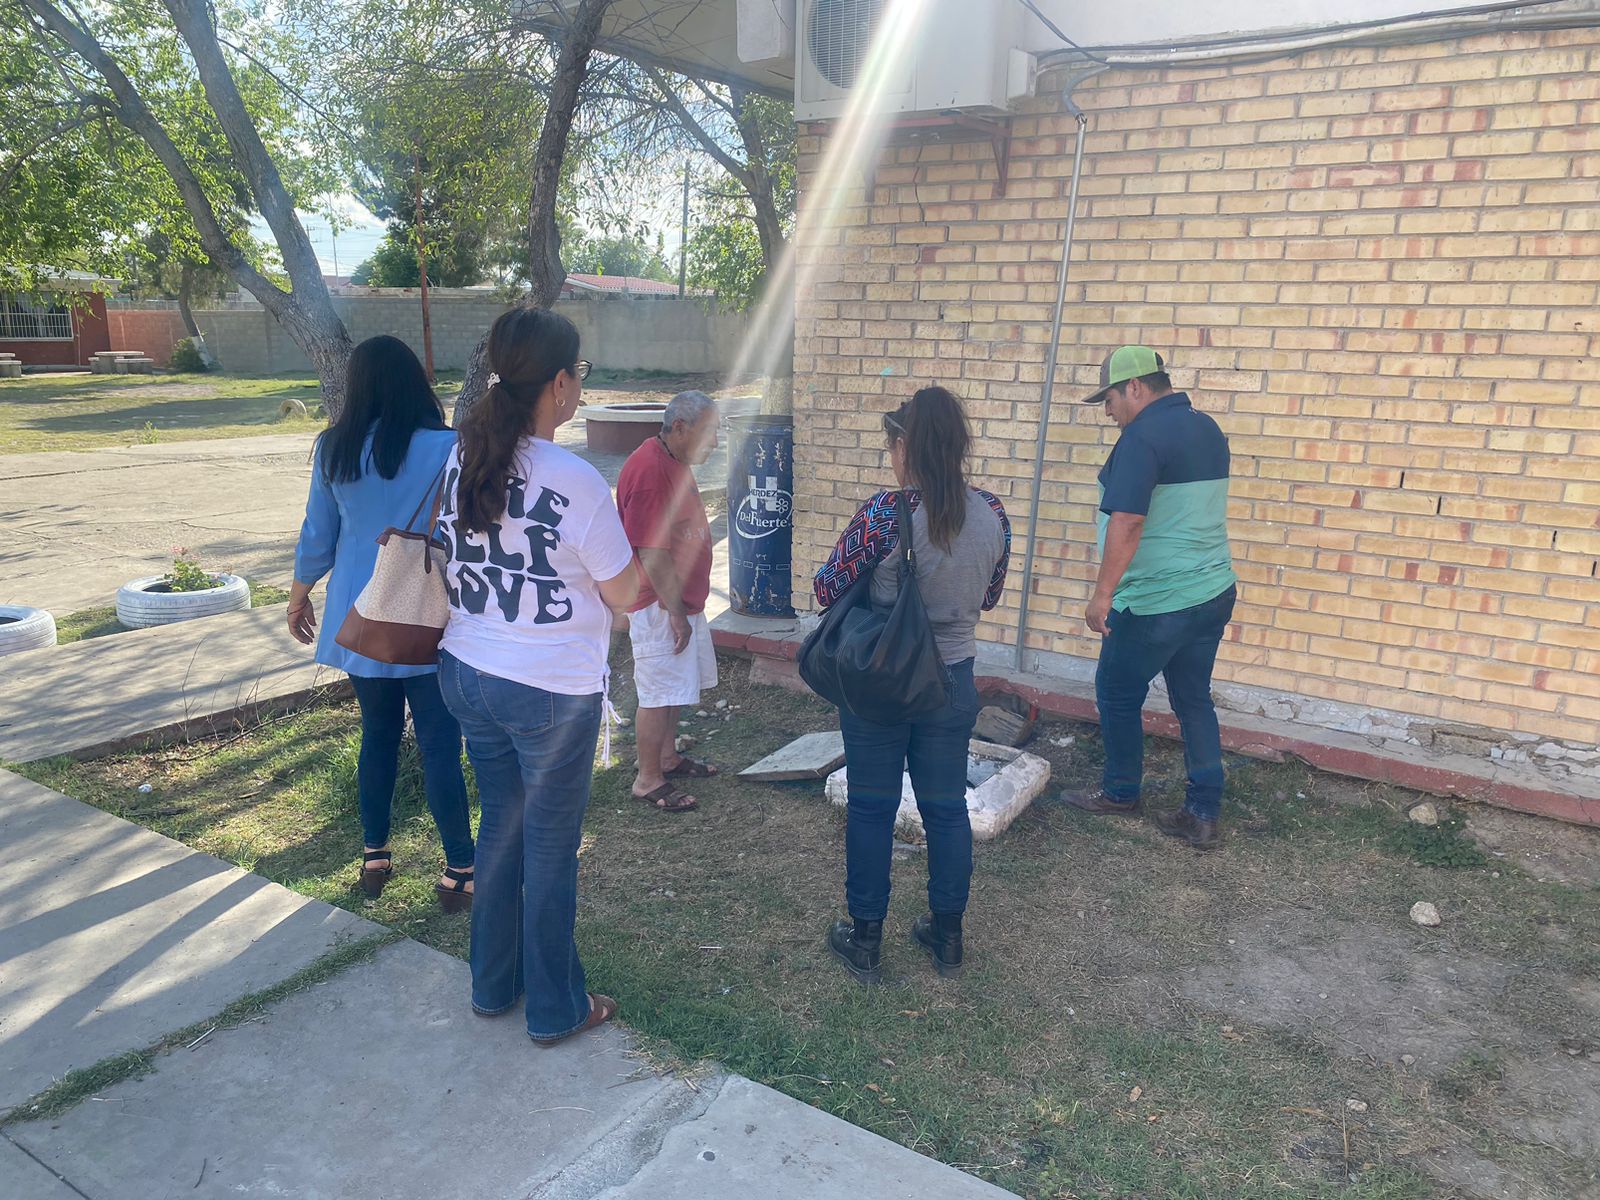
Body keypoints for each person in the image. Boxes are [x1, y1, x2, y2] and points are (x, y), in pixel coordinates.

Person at [435, 307, 640, 1046]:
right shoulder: (576, 480)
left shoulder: (463, 456)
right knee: (550, 852)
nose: (579, 387)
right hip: (549, 693)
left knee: (501, 833)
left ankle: (493, 986)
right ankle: (556, 1008)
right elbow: (626, 594)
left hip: (466, 673)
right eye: (578, 374)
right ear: (557, 384)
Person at [812, 386, 1011, 983]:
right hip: (953, 678)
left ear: (905, 446)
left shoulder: (883, 515)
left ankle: (866, 938)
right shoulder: (994, 514)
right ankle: (947, 936)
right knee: (944, 807)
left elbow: (827, 587)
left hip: (883, 681)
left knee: (871, 808)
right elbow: (991, 596)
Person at [288, 335, 475, 912]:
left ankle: (374, 856)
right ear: (416, 384)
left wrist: (299, 596)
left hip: (360, 613)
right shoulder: (449, 447)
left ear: (358, 387)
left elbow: (318, 534)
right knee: (442, 744)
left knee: (378, 736)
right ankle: (460, 871)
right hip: (428, 611)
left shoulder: (334, 448)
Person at [1059, 346, 1238, 852]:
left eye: (1110, 398)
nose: (1108, 410)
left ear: (1135, 386)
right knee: (1193, 700)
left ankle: (1120, 792)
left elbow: (1129, 520)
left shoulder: (1142, 437)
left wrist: (1102, 595)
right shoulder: (1206, 427)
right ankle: (1203, 812)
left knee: (1116, 692)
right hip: (1211, 591)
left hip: (1157, 602)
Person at [615, 390, 721, 814]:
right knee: (657, 692)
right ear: (679, 427)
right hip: (658, 602)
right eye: (709, 433)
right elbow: (651, 551)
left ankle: (667, 758)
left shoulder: (676, 460)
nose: (714, 444)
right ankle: (647, 779)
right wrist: (674, 610)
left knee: (675, 684)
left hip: (681, 600)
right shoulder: (648, 468)